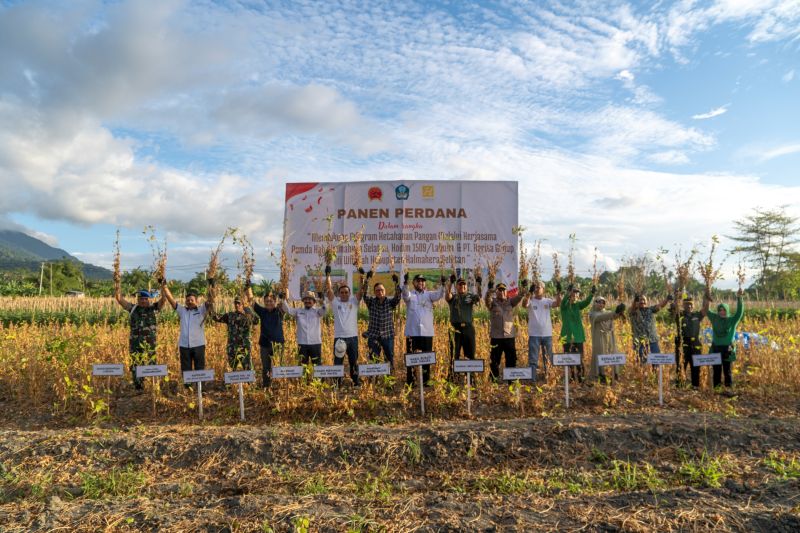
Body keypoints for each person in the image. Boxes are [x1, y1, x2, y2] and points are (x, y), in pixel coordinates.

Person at [114, 284, 168, 390]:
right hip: (135, 343)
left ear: (149, 299)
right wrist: (117, 283)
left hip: (149, 344)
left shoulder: (154, 308)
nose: (143, 301)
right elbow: (119, 299)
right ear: (138, 300)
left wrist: (162, 285)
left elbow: (164, 299)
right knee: (135, 364)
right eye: (141, 299)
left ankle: (151, 385)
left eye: (145, 299)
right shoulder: (133, 308)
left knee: (150, 363)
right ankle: (138, 386)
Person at [162, 283, 212, 385]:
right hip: (184, 345)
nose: (189, 302)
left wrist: (211, 284)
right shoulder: (182, 310)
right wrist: (164, 286)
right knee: (185, 368)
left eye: (192, 300)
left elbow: (210, 299)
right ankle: (187, 388)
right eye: (188, 300)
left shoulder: (201, 310)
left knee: (199, 368)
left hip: (199, 345)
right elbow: (171, 299)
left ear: (197, 301)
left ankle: (199, 388)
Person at [402, 273, 445, 386]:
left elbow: (439, 294)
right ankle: (411, 381)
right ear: (414, 283)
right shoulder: (410, 295)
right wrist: (405, 284)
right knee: (411, 359)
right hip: (412, 332)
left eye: (422, 281)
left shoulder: (430, 295)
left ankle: (426, 381)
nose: (421, 283)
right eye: (418, 281)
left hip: (427, 332)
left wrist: (444, 284)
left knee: (427, 358)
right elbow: (405, 295)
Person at [326, 265, 361, 386]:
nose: (344, 294)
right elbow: (329, 290)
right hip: (339, 338)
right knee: (338, 362)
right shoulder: (335, 303)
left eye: (346, 292)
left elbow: (361, 291)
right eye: (342, 292)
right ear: (339, 294)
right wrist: (328, 275)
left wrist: (362, 277)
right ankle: (337, 383)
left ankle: (356, 382)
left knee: (354, 362)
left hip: (353, 338)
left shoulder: (354, 302)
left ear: (349, 293)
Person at [360, 269, 402, 369]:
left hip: (387, 336)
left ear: (385, 291)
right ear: (374, 292)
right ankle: (374, 381)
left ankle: (389, 383)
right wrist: (367, 279)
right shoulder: (371, 302)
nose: (380, 292)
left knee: (389, 359)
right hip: (373, 336)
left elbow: (398, 296)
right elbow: (364, 293)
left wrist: (396, 283)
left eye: (381, 290)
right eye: (377, 290)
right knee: (373, 359)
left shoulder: (390, 303)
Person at [522, 280, 563, 381]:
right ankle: (532, 379)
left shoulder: (547, 301)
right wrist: (528, 293)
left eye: (538, 287)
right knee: (533, 359)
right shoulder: (530, 300)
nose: (536, 288)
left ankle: (549, 378)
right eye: (535, 287)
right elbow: (524, 304)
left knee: (548, 358)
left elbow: (558, 303)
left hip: (547, 335)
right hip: (534, 334)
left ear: (543, 289)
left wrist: (558, 292)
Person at [485, 279, 526, 381]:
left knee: (511, 360)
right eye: (500, 290)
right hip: (496, 337)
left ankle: (511, 381)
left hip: (509, 337)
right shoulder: (492, 303)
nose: (502, 292)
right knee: (494, 360)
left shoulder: (510, 302)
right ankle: (494, 380)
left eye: (504, 290)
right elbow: (487, 299)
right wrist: (490, 290)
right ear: (496, 292)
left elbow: (520, 296)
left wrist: (524, 286)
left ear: (506, 292)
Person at [445, 273, 483, 380]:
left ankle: (470, 378)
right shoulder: (453, 297)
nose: (463, 287)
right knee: (454, 354)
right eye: (460, 285)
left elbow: (479, 297)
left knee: (470, 353)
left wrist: (479, 284)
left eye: (464, 285)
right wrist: (450, 283)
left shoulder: (470, 296)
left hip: (468, 328)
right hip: (455, 328)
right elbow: (447, 296)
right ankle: (453, 377)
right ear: (456, 286)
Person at [706, 289, 744, 389]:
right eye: (720, 310)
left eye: (724, 310)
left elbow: (739, 312)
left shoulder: (732, 320)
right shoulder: (714, 318)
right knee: (716, 371)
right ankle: (717, 389)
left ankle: (728, 389)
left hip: (728, 349)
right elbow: (706, 309)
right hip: (716, 348)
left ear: (727, 310)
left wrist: (739, 297)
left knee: (727, 371)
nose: (722, 312)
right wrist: (706, 296)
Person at [672, 294, 709, 388]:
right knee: (681, 365)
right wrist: (677, 294)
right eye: (687, 304)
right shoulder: (679, 314)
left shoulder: (697, 315)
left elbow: (705, 310)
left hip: (695, 343)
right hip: (682, 343)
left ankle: (695, 386)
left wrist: (707, 296)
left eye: (691, 304)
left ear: (693, 305)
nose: (689, 306)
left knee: (695, 366)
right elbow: (674, 306)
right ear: (683, 305)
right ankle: (680, 386)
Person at [212, 296, 259, 370]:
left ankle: (250, 382)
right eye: (235, 303)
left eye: (239, 303)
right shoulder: (230, 315)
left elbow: (256, 321)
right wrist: (210, 306)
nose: (237, 305)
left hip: (244, 347)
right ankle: (234, 382)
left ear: (243, 304)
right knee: (232, 368)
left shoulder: (248, 316)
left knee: (248, 368)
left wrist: (248, 310)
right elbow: (216, 317)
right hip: (232, 347)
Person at [282, 288, 327, 365]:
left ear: (314, 302)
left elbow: (325, 309)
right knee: (302, 366)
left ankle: (317, 378)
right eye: (305, 299)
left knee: (317, 366)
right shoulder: (298, 311)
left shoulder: (317, 311)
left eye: (310, 299)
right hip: (302, 344)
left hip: (315, 343)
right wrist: (283, 299)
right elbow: (287, 309)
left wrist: (322, 300)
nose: (307, 301)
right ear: (303, 301)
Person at [559, 284, 594, 382]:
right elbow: (563, 302)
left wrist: (592, 294)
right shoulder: (564, 307)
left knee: (579, 358)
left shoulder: (578, 305)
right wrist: (568, 292)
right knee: (568, 359)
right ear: (570, 295)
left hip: (578, 336)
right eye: (573, 294)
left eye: (577, 295)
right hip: (567, 336)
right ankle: (571, 377)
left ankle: (580, 377)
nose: (575, 296)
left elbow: (586, 302)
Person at [251, 289, 285, 388]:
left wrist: (284, 288)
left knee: (278, 366)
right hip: (265, 345)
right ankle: (266, 386)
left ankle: (279, 386)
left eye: (270, 301)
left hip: (278, 344)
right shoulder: (262, 311)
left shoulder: (280, 311)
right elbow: (251, 300)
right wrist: (248, 286)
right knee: (266, 367)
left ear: (275, 302)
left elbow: (285, 301)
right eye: (266, 301)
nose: (268, 303)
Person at [588, 297, 627, 383]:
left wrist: (619, 312)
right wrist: (614, 312)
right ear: (595, 303)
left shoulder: (608, 312)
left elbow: (614, 316)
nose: (601, 304)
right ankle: (600, 375)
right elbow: (601, 317)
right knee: (600, 355)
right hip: (599, 338)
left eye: (603, 303)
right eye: (599, 302)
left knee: (611, 354)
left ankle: (613, 375)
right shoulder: (592, 314)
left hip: (609, 337)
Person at [629, 293, 672, 363]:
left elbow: (660, 306)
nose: (642, 302)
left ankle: (655, 373)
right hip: (639, 342)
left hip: (652, 340)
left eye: (644, 300)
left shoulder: (651, 309)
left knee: (656, 362)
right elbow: (632, 308)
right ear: (637, 302)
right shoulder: (633, 312)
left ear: (647, 302)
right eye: (640, 300)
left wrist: (666, 300)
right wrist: (635, 301)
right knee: (642, 363)